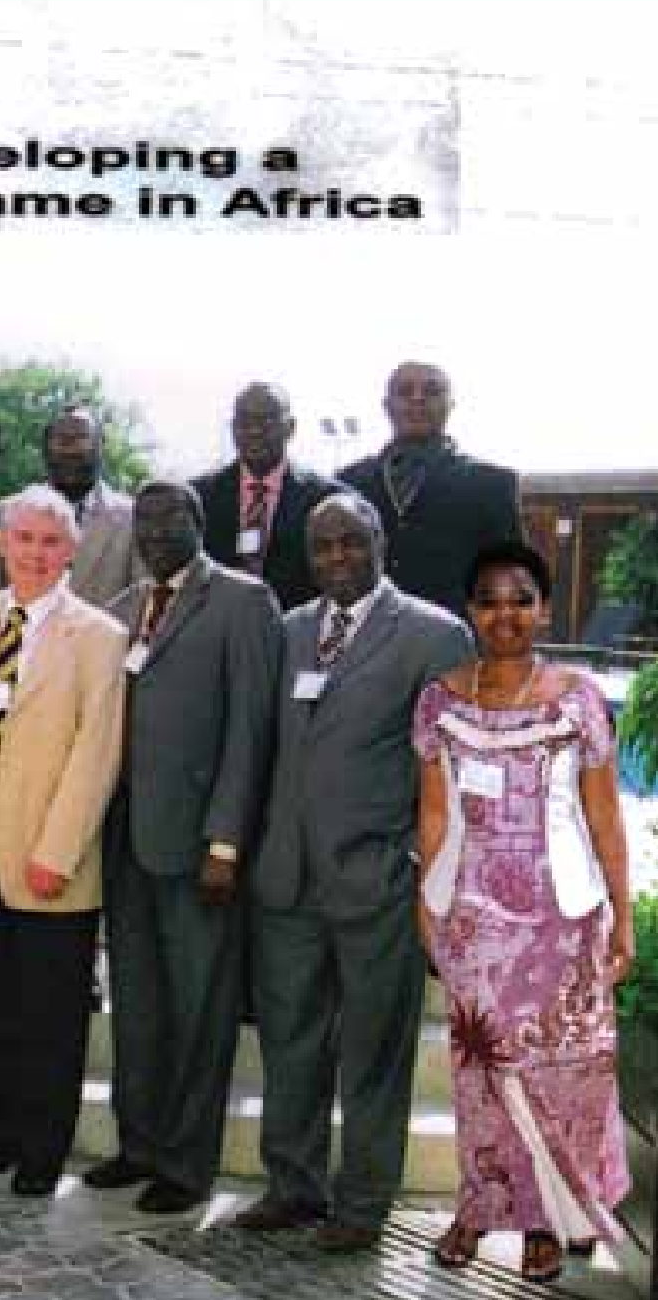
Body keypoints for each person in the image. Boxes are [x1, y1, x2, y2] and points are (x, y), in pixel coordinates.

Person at [237, 494, 473, 1251]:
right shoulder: (288, 631)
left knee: (374, 1048)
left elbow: (451, 769)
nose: (336, 557)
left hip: (377, 880)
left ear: (379, 543)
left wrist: (413, 862)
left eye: (351, 542)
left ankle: (363, 1201)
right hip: (287, 879)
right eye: (322, 546)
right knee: (289, 1039)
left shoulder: (435, 636)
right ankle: (291, 1183)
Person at [414, 542, 636, 1283]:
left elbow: (604, 818)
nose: (503, 613)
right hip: (472, 917)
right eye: (487, 599)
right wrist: (427, 904)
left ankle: (550, 1218)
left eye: (519, 598)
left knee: (555, 1069)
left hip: (562, 917)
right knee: (482, 1070)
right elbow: (434, 814)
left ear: (542, 607)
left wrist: (623, 916)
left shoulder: (575, 698)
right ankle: (480, 1205)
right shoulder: (439, 698)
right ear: (468, 611)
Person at [89, 481, 282, 1213]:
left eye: (174, 516)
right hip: (125, 839)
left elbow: (250, 729)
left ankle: (185, 1161)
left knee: (199, 1008)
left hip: (199, 847)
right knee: (136, 1003)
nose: (158, 529)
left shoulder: (240, 600)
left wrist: (226, 842)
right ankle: (136, 1142)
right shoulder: (126, 606)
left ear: (202, 524)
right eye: (146, 518)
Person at [0, 485, 126, 1193]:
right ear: (1, 543)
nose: (34, 553)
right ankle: (6, 1129)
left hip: (51, 840)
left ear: (72, 549)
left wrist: (57, 851)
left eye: (49, 541)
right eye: (22, 538)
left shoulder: (98, 635)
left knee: (50, 1006)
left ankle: (45, 1147)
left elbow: (97, 752)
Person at [339, 362, 524, 621]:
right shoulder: (349, 482)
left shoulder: (492, 483)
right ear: (387, 405)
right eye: (405, 391)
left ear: (450, 403)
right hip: (365, 639)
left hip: (457, 642)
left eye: (432, 391)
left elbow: (509, 578)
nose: (418, 398)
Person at [190, 382, 346, 611]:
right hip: (215, 636)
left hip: (296, 634)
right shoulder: (199, 496)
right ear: (233, 428)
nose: (254, 431)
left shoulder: (328, 498)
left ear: (290, 427)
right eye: (245, 421)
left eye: (266, 420)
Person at [43, 406, 141, 610]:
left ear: (100, 445)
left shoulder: (134, 519)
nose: (70, 449)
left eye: (81, 438)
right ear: (46, 447)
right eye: (61, 439)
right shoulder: (6, 514)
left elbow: (142, 604)